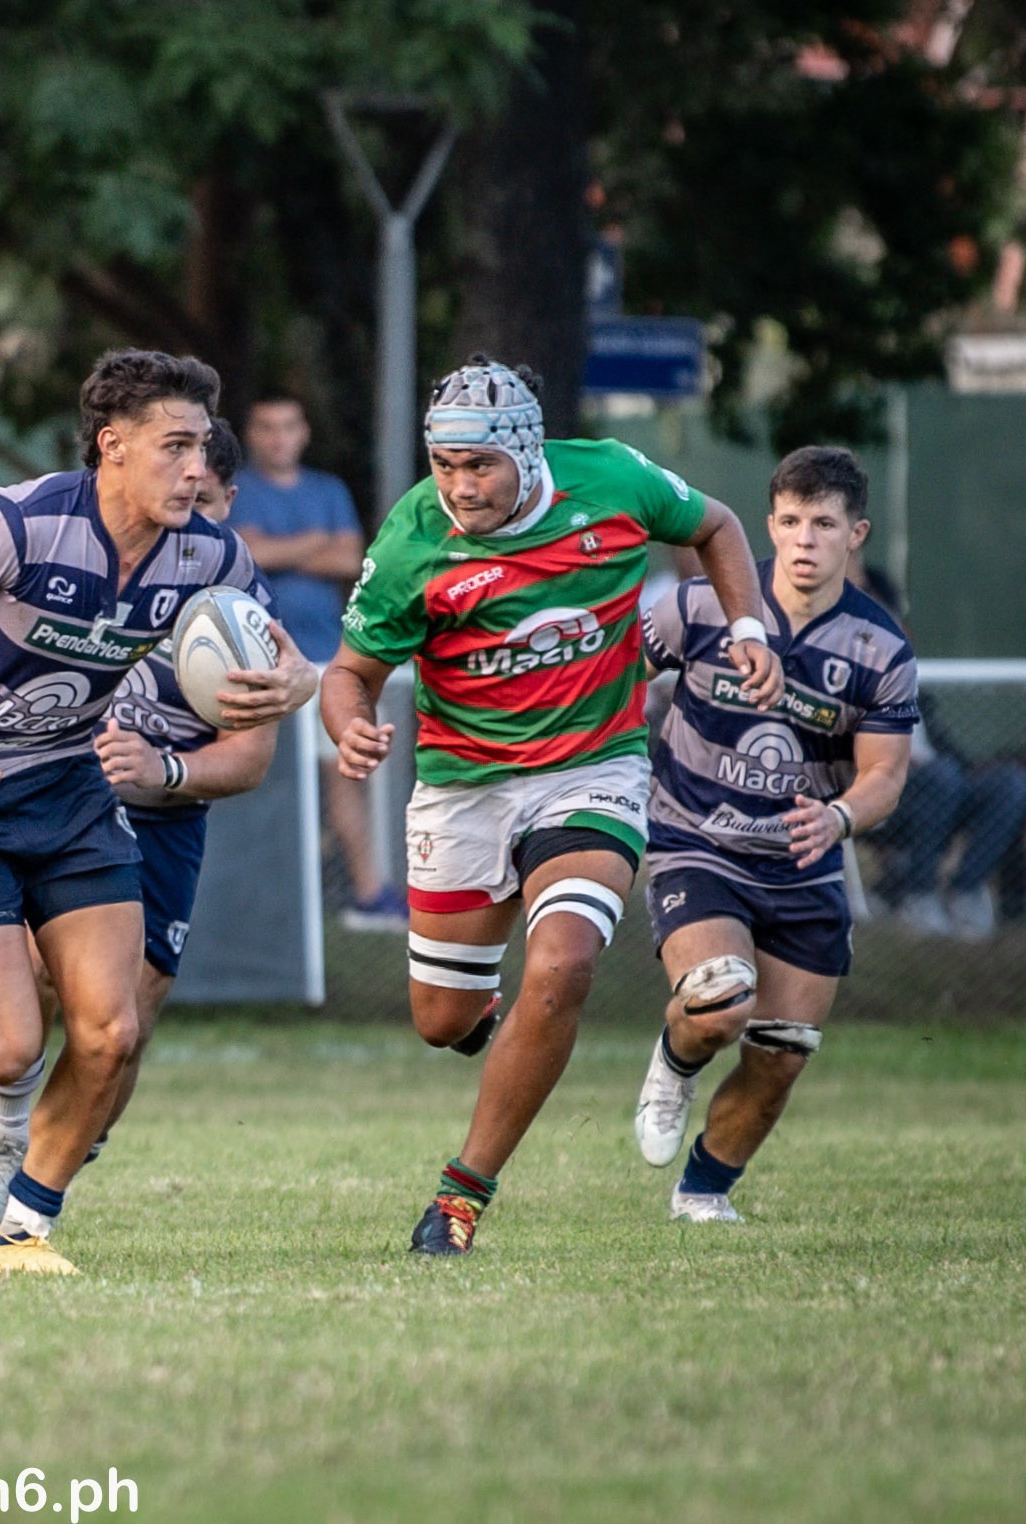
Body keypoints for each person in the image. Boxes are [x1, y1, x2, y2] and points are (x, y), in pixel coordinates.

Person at [0, 350, 317, 1276]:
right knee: (10, 1048)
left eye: (202, 449)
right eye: (175, 447)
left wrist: (300, 681)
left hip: (75, 792)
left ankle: (22, 1231)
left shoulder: (212, 554)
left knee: (112, 1031)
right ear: (112, 446)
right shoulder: (17, 523)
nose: (198, 468)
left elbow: (287, 662)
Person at [322, 355, 783, 1256]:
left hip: (593, 770)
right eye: (445, 466)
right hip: (461, 788)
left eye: (479, 466)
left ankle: (459, 1200)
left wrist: (749, 627)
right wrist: (351, 726)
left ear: (530, 454)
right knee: (441, 1020)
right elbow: (351, 673)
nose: (460, 486)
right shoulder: (414, 536)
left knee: (561, 963)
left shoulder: (610, 477)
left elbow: (718, 526)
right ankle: (513, 1032)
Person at [633, 446, 915, 1220]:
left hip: (802, 862)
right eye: (790, 521)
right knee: (720, 1001)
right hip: (697, 840)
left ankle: (703, 1191)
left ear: (855, 533)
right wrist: (614, 766)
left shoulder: (879, 647)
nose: (804, 539)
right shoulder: (698, 605)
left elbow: (885, 774)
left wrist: (837, 816)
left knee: (783, 1051)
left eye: (823, 523)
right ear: (769, 524)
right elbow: (617, 674)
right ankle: (674, 1058)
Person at [231, 394, 405, 930]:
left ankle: (369, 895)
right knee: (257, 775)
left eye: (288, 426)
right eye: (267, 426)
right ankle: (258, 903)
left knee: (344, 775)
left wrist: (280, 548)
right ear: (253, 434)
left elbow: (351, 559)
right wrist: (313, 544)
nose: (279, 437)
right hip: (258, 661)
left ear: (303, 432)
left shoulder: (328, 489)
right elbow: (245, 552)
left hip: (331, 660)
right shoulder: (239, 489)